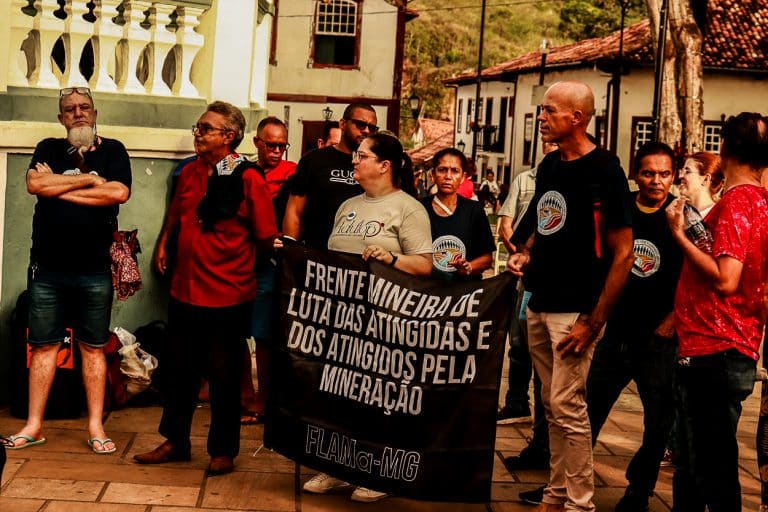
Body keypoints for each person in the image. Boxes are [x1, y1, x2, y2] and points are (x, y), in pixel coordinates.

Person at [508, 81, 634, 512]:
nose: (541, 118)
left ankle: (580, 502)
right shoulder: (549, 166)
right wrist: (523, 255)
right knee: (551, 405)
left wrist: (593, 320)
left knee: (567, 405)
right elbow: (541, 226)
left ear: (577, 117)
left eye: (549, 110)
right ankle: (556, 493)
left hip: (576, 309)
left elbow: (624, 254)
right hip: (540, 301)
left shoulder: (606, 171)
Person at [134, 101, 277, 475]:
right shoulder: (190, 172)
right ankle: (175, 440)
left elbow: (265, 236)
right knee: (179, 371)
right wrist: (165, 241)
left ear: (228, 137)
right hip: (185, 289)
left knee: (224, 375)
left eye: (205, 128)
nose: (197, 133)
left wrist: (235, 263)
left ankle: (223, 449)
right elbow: (179, 212)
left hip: (228, 295)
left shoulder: (248, 179)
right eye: (197, 127)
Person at [303, 133, 432, 502]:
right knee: (339, 393)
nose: (353, 162)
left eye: (361, 156)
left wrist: (390, 259)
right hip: (342, 319)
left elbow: (425, 264)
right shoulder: (348, 206)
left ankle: (377, 472)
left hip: (386, 323)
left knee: (378, 399)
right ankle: (337, 468)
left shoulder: (408, 209)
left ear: (384, 165)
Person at [7, 87, 131, 454]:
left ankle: (95, 427)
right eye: (69, 110)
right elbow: (34, 184)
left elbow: (118, 194)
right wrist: (90, 180)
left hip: (94, 270)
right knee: (43, 347)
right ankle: (33, 425)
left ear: (95, 113)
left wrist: (58, 187)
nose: (78, 114)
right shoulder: (47, 148)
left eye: (84, 108)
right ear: (61, 118)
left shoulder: (113, 151)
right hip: (48, 269)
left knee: (92, 348)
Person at [666, 112, 768, 511]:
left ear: (724, 150)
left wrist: (678, 235)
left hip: (716, 346)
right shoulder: (760, 201)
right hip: (723, 345)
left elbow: (727, 279)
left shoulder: (740, 202)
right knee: (693, 466)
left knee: (711, 469)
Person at [586, 142, 683, 512]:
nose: (656, 181)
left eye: (664, 174)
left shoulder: (681, 214)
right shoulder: (621, 206)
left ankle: (638, 492)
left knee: (658, 424)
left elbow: (693, 274)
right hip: (617, 332)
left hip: (658, 339)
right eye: (648, 173)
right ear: (635, 174)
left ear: (673, 176)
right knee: (587, 413)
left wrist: (672, 320)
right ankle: (568, 484)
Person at [498, 141, 559, 483]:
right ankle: (537, 439)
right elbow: (512, 226)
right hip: (530, 281)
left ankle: (554, 457)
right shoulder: (528, 181)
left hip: (562, 292)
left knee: (555, 380)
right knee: (525, 349)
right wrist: (520, 253)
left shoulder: (587, 178)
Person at [238, 116, 297, 425]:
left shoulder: (292, 175)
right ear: (257, 142)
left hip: (270, 262)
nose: (276, 151)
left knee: (263, 333)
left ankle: (263, 400)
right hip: (238, 259)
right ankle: (244, 395)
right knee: (236, 331)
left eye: (281, 145)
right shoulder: (243, 172)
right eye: (271, 144)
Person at [283, 103, 377, 248]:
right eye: (360, 124)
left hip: (359, 258)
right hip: (317, 253)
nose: (366, 131)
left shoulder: (375, 164)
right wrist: (290, 250)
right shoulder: (314, 159)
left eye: (372, 128)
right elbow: (294, 211)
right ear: (343, 124)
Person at [421, 148, 495, 280]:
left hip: (464, 293)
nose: (448, 176)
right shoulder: (419, 209)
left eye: (455, 171)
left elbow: (487, 258)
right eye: (442, 170)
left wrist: (469, 267)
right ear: (432, 175)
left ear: (462, 178)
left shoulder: (474, 210)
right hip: (428, 292)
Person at [677, 151, 723, 217]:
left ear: (706, 179)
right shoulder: (679, 212)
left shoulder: (717, 217)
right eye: (682, 171)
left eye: (687, 171)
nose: (680, 176)